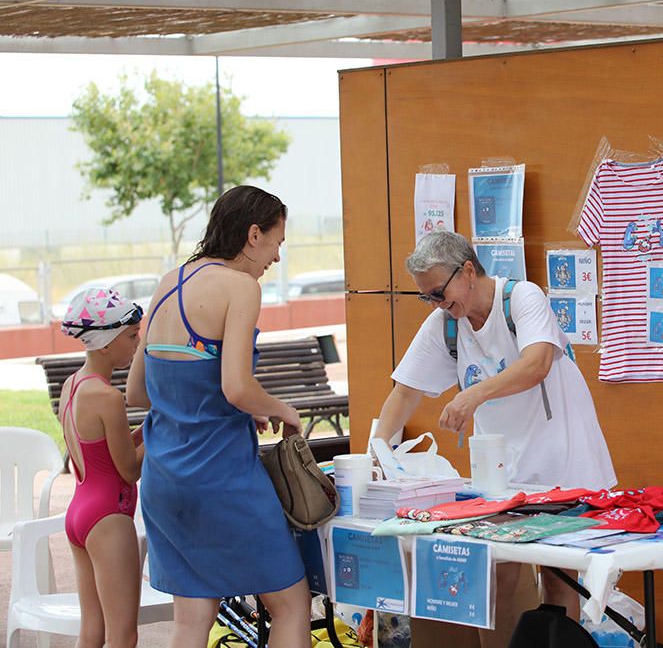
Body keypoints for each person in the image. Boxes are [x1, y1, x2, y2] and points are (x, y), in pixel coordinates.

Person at [371, 231, 617, 648]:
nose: (435, 304)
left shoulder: (522, 298)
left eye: (438, 292)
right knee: (498, 574)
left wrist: (473, 393)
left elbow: (536, 363)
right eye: (426, 297)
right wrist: (376, 452)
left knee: (558, 580)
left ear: (467, 270)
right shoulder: (445, 324)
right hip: (503, 474)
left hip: (564, 461)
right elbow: (405, 391)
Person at [126, 185, 310, 646]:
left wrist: (209, 404)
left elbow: (138, 391)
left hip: (165, 479)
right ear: (253, 235)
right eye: (277, 243)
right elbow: (237, 387)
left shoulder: (172, 279)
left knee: (191, 621)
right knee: (290, 605)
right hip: (221, 478)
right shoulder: (241, 287)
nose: (276, 257)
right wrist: (282, 409)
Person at [58, 287, 145, 647]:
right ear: (106, 343)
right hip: (109, 517)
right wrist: (165, 434)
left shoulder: (73, 386)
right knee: (122, 635)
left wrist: (151, 426)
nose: (137, 343)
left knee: (92, 631)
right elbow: (128, 469)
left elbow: (104, 451)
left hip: (80, 513)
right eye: (131, 336)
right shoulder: (108, 397)